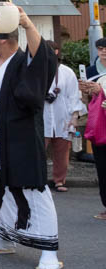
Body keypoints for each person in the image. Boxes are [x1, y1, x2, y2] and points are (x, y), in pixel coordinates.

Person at [0, 6, 62, 269]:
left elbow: (43, 59)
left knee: (32, 191)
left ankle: (48, 250)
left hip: (19, 141)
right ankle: (3, 236)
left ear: (4, 39)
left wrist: (28, 25)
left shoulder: (24, 63)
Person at [42, 41, 83, 192]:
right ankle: (38, 179)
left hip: (62, 116)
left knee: (62, 151)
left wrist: (74, 117)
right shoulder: (36, 70)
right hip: (43, 116)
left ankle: (59, 180)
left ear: (57, 52)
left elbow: (74, 96)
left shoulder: (67, 72)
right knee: (39, 150)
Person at [77, 46, 106, 220]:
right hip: (100, 127)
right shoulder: (94, 73)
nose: (104, 52)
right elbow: (89, 103)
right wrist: (86, 93)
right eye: (101, 48)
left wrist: (101, 92)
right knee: (102, 168)